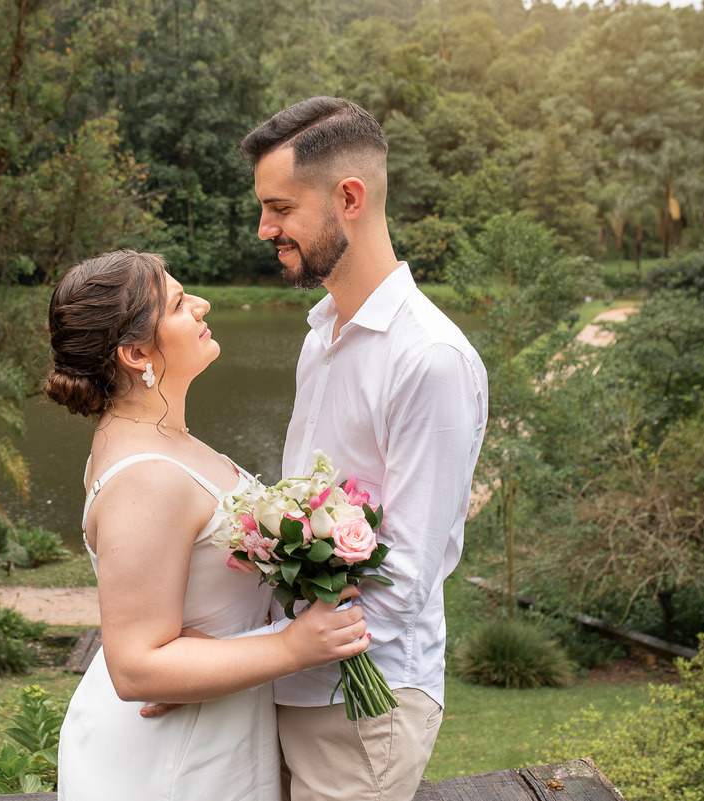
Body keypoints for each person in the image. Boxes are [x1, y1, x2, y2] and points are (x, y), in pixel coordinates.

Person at [45, 249, 371, 801]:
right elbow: (136, 669)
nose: (202, 304)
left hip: (210, 729)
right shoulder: (145, 476)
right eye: (177, 303)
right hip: (169, 763)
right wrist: (292, 647)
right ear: (134, 352)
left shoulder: (152, 434)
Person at [239, 98, 489, 801]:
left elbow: (404, 578)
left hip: (364, 706)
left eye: (280, 207)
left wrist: (265, 656)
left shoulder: (429, 358)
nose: (265, 229)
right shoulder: (321, 335)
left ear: (348, 197)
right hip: (289, 688)